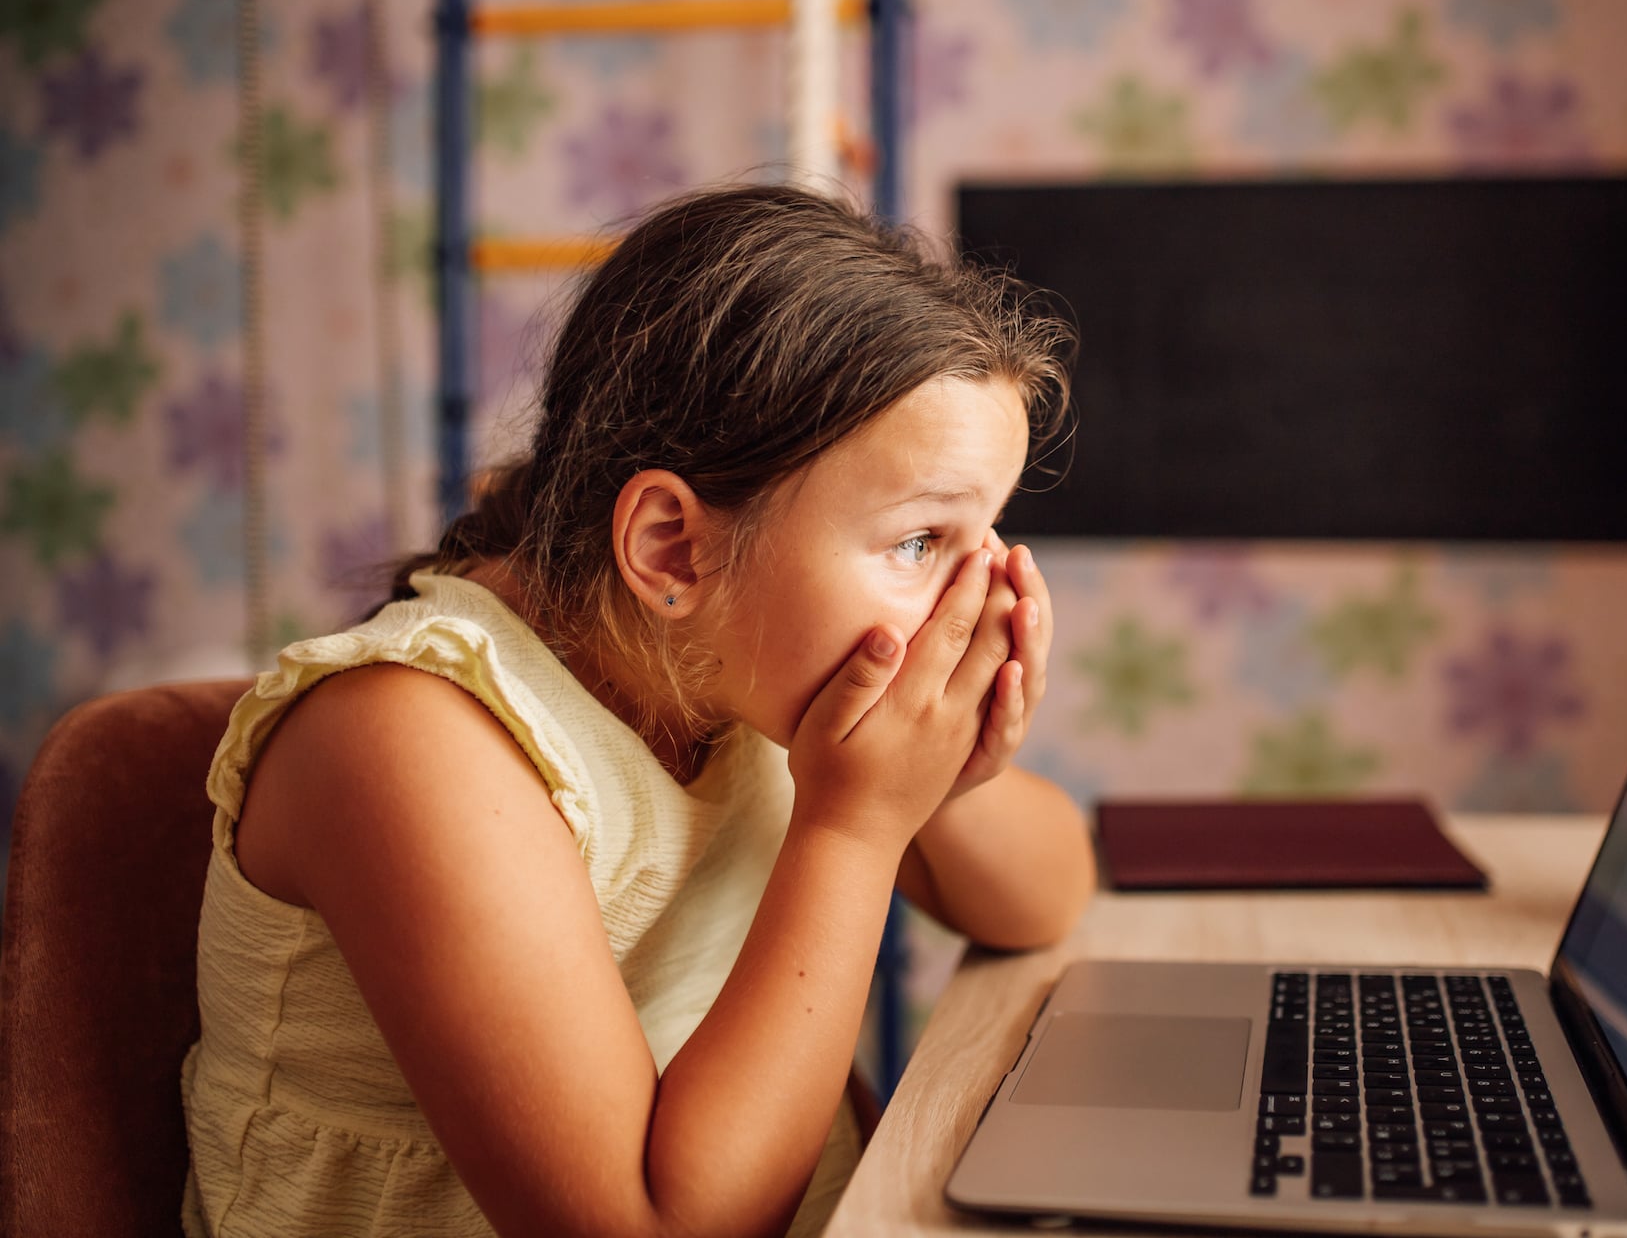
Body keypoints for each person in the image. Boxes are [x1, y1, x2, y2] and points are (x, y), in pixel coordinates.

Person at [181, 184, 1097, 1237]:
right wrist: (854, 826)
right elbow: (652, 1223)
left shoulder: (735, 660)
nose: (975, 594)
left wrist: (943, 776)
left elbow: (1044, 898)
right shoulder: (413, 742)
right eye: (919, 541)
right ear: (673, 546)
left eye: (985, 534)